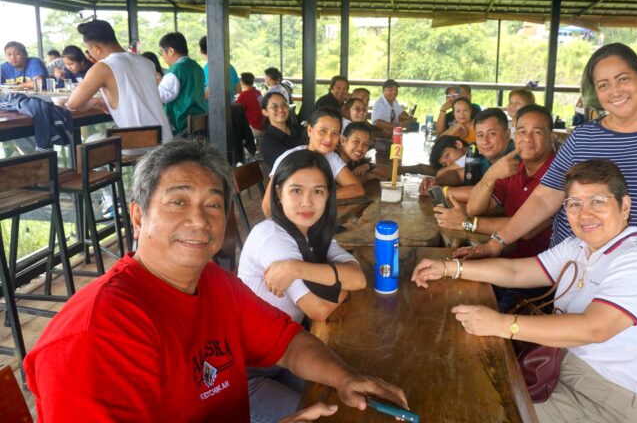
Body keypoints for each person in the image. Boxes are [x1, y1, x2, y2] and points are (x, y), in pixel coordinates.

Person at [24, 138, 408, 422]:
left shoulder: (213, 283)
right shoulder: (96, 333)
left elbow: (287, 342)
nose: (200, 220)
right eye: (178, 201)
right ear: (138, 218)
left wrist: (345, 377)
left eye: (212, 204)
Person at [454, 43, 637, 313]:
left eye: (623, 79)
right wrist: (495, 243)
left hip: (632, 273)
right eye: (604, 85)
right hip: (573, 269)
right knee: (562, 348)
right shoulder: (584, 137)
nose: (615, 91)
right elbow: (544, 197)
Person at [412, 159, 637, 423]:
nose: (585, 214)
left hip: (605, 400)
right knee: (456, 379)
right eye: (574, 204)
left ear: (624, 205)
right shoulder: (578, 247)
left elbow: (594, 328)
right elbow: (517, 272)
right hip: (556, 367)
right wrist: (449, 268)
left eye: (597, 201)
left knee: (475, 410)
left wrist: (502, 324)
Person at [238, 149, 367, 420]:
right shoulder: (272, 236)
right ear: (278, 194)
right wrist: (338, 283)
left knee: (351, 397)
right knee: (332, 414)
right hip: (245, 374)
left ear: (328, 196)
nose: (307, 202)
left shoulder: (312, 232)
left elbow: (359, 278)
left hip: (286, 355)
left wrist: (296, 268)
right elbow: (318, 309)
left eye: (318, 192)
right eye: (296, 190)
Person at [434, 105, 556, 262]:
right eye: (521, 131)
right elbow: (474, 208)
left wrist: (467, 223)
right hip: (506, 259)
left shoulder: (558, 174)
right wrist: (490, 177)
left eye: (537, 132)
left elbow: (527, 228)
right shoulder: (515, 167)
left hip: (538, 269)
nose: (527, 138)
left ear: (551, 137)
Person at [65, 20, 172, 142]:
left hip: (138, 143)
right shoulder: (147, 62)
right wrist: (100, 100)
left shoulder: (103, 67)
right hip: (165, 139)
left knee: (89, 141)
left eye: (89, 51)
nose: (90, 55)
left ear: (96, 48)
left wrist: (95, 102)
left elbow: (73, 103)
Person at [262, 107, 364, 216]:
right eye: (323, 131)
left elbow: (357, 189)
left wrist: (321, 194)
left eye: (335, 133)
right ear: (310, 130)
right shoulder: (289, 158)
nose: (329, 138)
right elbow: (267, 208)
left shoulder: (331, 158)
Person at [420, 108, 514, 200]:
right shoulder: (484, 159)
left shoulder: (514, 161)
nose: (485, 141)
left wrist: (439, 192)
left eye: (492, 134)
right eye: (480, 135)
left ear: (507, 134)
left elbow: (482, 194)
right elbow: (458, 174)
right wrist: (436, 181)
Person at [157, 32, 208, 135]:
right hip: (199, 122)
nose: (162, 56)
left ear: (171, 51)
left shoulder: (176, 70)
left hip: (181, 126)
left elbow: (160, 97)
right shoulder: (196, 67)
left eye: (161, 52)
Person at [261, 91, 304, 172]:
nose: (280, 109)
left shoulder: (299, 129)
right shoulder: (267, 141)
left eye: (284, 105)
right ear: (265, 112)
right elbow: (289, 167)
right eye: (274, 106)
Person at [199, 35, 240, 100]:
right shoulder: (230, 67)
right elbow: (238, 89)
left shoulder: (208, 68)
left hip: (215, 108)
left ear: (201, 51)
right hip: (230, 107)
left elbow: (208, 93)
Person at [235, 72, 264, 138]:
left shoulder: (245, 94)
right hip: (263, 126)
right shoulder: (258, 92)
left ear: (242, 82)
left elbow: (235, 108)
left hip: (254, 127)